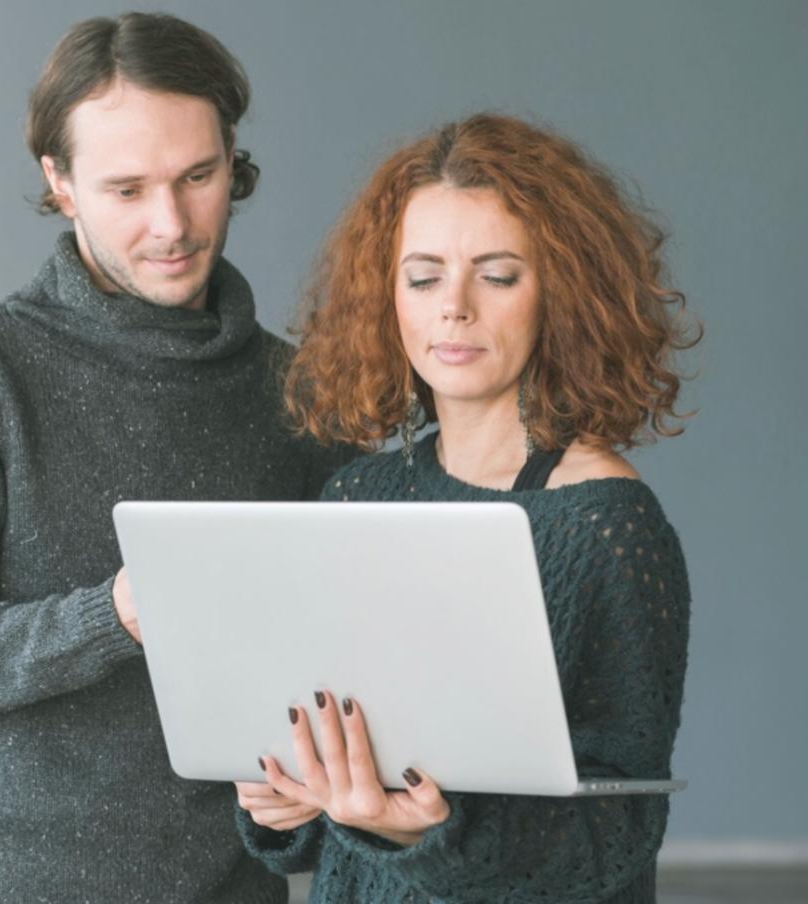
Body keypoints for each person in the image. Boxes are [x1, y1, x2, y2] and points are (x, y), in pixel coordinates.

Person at [0, 12, 353, 903]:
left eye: (198, 177)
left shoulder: (305, 392)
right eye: (127, 190)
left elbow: (344, 669)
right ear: (61, 182)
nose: (172, 223)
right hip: (16, 884)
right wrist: (114, 615)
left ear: (232, 158)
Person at [232, 113, 700, 902]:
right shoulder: (355, 494)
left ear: (563, 295)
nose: (454, 307)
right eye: (423, 277)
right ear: (388, 299)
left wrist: (421, 830)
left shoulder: (606, 525)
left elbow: (621, 829)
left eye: (498, 275)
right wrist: (288, 803)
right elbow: (324, 824)